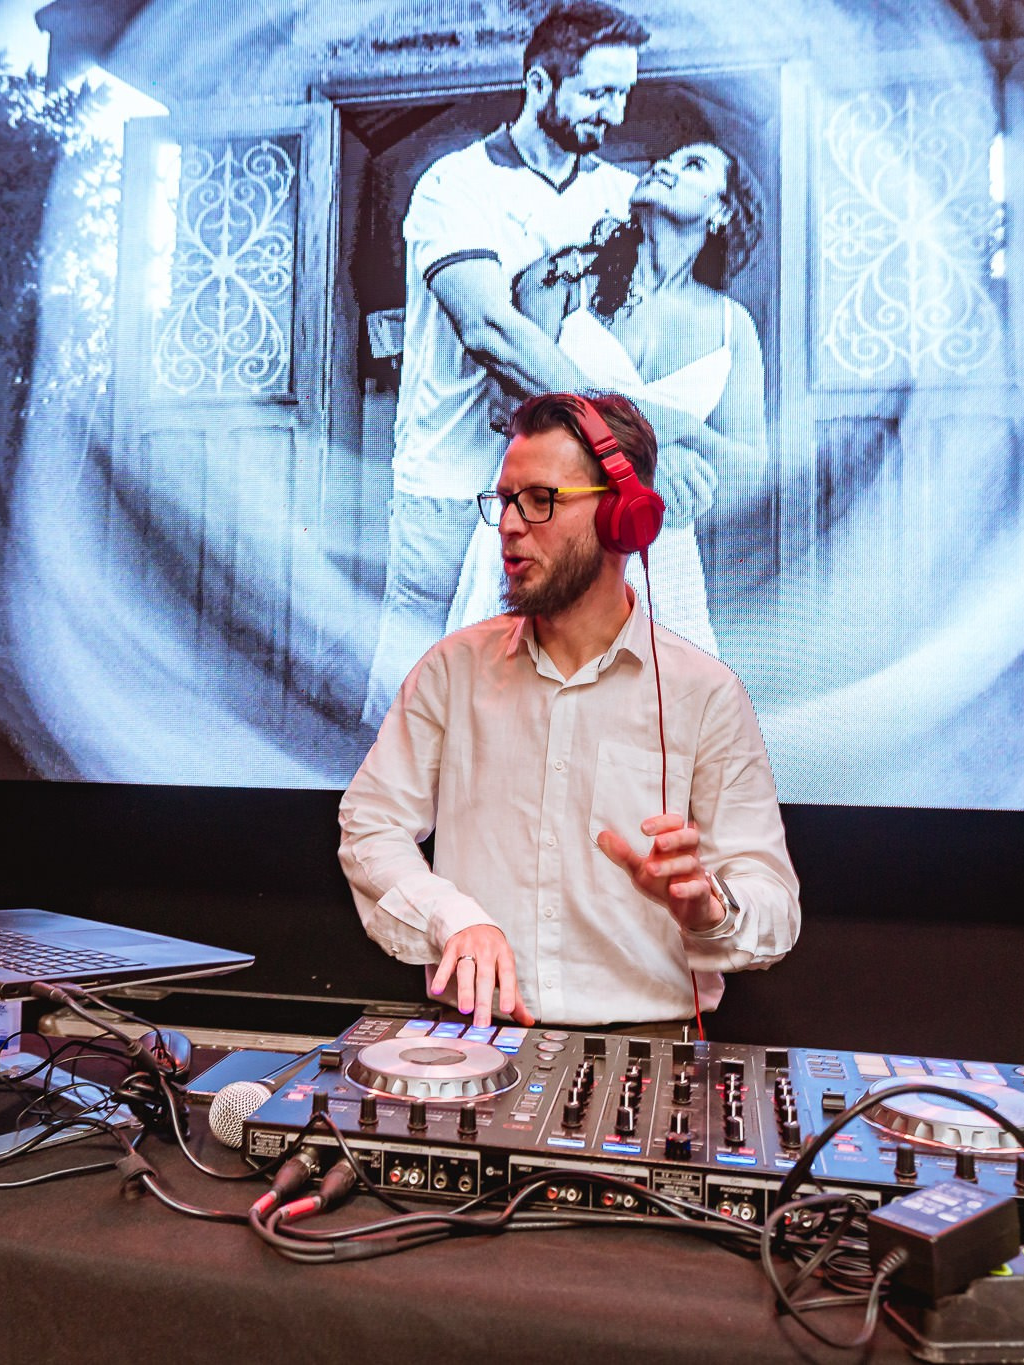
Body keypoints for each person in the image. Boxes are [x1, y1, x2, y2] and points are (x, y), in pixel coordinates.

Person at [340, 392, 800, 1030]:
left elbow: (774, 903)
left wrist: (710, 908)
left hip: (647, 1054)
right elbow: (371, 826)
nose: (509, 525)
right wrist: (452, 920)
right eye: (505, 500)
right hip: (473, 1043)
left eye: (540, 500)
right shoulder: (451, 671)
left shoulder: (705, 693)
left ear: (621, 517)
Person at [362, 1, 737, 726]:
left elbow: (648, 326)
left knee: (523, 707)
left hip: (559, 499)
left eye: (624, 92)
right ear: (539, 84)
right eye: (598, 93)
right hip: (451, 481)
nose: (616, 113)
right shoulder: (455, 186)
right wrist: (649, 435)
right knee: (415, 703)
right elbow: (491, 331)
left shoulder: (618, 196)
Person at [447, 141, 769, 654]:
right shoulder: (562, 282)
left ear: (722, 211)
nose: (662, 164)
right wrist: (645, 444)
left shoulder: (733, 327)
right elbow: (506, 411)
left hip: (655, 553)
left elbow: (750, 464)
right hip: (547, 527)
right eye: (665, 158)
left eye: (692, 165)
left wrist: (678, 443)